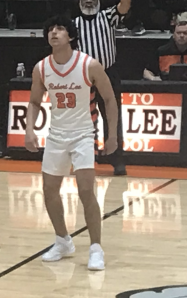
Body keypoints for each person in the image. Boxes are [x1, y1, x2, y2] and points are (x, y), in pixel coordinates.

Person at [22, 16, 119, 271]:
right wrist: (29, 129)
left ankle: (96, 247)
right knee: (49, 191)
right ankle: (63, 240)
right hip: (56, 134)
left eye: (60, 29)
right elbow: (33, 102)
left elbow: (109, 100)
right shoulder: (41, 68)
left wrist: (112, 136)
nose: (54, 33)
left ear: (71, 36)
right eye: (50, 29)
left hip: (84, 133)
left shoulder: (89, 65)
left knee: (86, 191)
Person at [74, 0, 131, 175]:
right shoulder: (73, 25)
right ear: (80, 1)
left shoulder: (107, 16)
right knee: (84, 120)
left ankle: (116, 158)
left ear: (98, 1)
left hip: (108, 74)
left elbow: (124, 6)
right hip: (82, 78)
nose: (89, 1)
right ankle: (87, 158)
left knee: (112, 117)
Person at [143, 14, 187, 79]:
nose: (182, 36)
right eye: (178, 33)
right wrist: (153, 78)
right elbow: (147, 71)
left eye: (185, 33)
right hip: (168, 87)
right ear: (173, 35)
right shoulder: (162, 52)